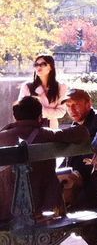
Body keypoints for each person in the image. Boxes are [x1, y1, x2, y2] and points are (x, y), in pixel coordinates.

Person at [0, 96, 88, 224]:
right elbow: (82, 133)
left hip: (5, 210)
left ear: (16, 116)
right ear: (39, 116)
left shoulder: (2, 136)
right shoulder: (47, 135)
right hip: (43, 209)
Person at [59, 89, 97, 245]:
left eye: (76, 104)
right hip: (83, 184)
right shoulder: (75, 127)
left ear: (89, 104)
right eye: (69, 106)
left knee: (68, 205)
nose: (72, 109)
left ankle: (95, 244)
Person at [19, 54, 64, 127]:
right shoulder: (27, 87)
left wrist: (38, 111)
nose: (38, 67)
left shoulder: (61, 87)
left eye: (43, 64)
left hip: (51, 129)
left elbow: (61, 112)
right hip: (31, 128)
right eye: (36, 65)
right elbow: (21, 109)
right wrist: (51, 112)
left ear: (51, 67)